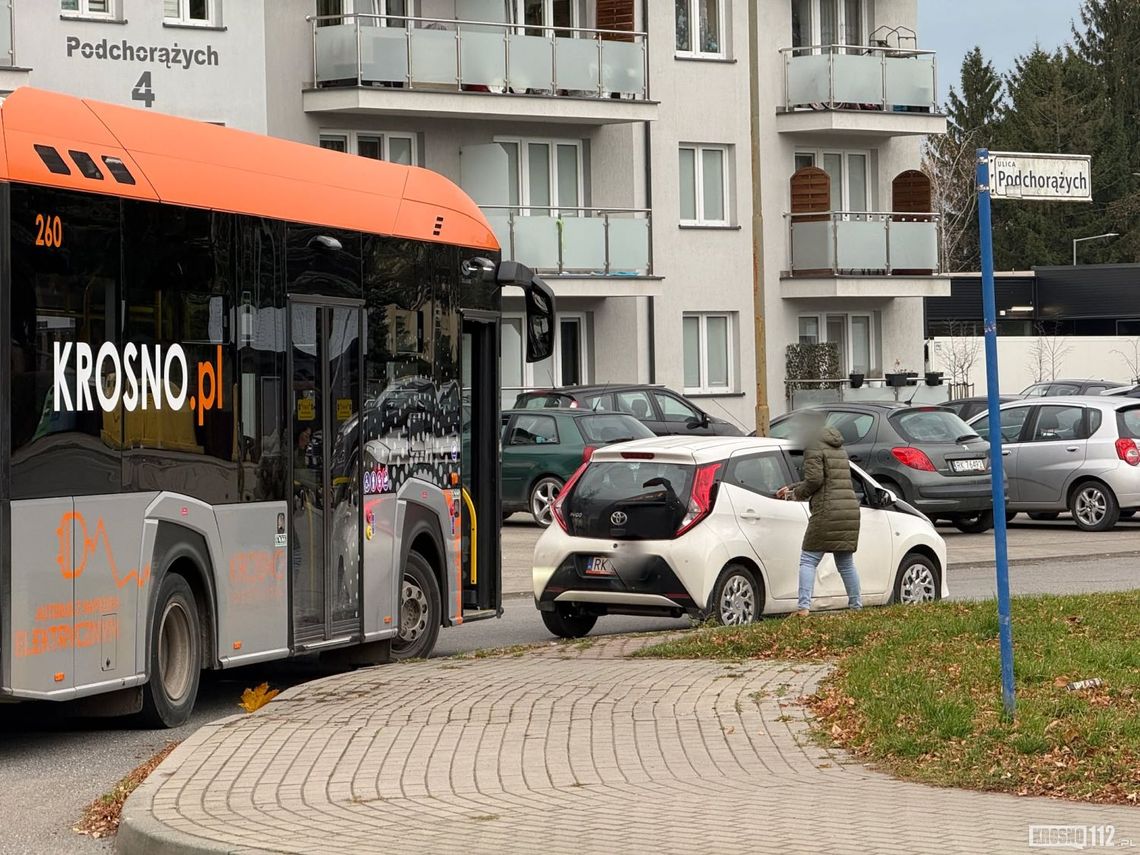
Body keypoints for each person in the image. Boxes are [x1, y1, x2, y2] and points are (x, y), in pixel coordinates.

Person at [777, 419, 862, 616]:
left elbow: (815, 480)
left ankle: (803, 608)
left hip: (828, 508)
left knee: (808, 559)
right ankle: (857, 607)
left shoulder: (813, 446)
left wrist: (796, 495)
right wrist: (792, 487)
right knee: (846, 563)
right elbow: (829, 477)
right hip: (848, 507)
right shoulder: (837, 445)